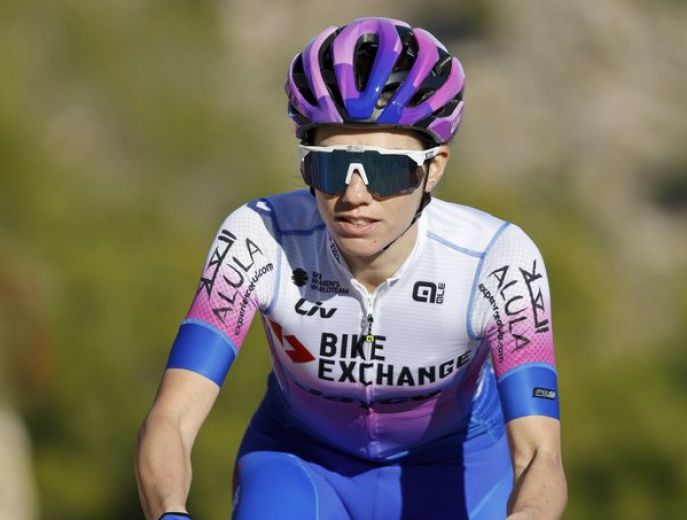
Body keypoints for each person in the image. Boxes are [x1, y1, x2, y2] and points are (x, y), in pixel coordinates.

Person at [135, 16, 566, 520]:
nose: (355, 195)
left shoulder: (498, 261)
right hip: (301, 464)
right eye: (332, 166)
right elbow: (171, 418)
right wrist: (170, 512)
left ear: (434, 168)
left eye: (385, 169)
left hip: (459, 469)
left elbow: (540, 455)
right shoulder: (258, 238)